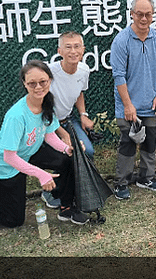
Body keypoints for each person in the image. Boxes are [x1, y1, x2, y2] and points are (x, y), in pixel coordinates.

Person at [0, 60, 88, 227]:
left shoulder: (47, 102)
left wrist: (66, 148)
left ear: (50, 80)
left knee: (67, 159)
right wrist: (40, 174)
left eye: (43, 82)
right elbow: (9, 157)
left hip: (28, 152)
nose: (38, 87)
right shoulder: (16, 115)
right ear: (25, 84)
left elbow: (49, 135)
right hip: (3, 166)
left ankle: (66, 206)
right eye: (32, 83)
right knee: (13, 221)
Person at [110, 0, 156, 200]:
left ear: (153, 15)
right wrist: (128, 105)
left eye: (148, 14)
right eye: (139, 14)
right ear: (132, 14)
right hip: (128, 105)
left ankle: (146, 177)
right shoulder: (121, 40)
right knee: (127, 143)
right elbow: (118, 74)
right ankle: (121, 182)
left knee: (150, 141)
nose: (143, 18)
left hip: (151, 103)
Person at [41, 31, 95, 209]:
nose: (73, 51)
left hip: (69, 119)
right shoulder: (49, 73)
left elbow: (80, 92)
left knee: (88, 151)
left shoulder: (84, 70)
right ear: (60, 51)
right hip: (47, 124)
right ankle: (50, 191)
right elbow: (43, 106)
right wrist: (63, 134)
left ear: (83, 49)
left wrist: (83, 115)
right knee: (66, 154)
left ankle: (80, 191)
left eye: (77, 46)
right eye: (68, 47)